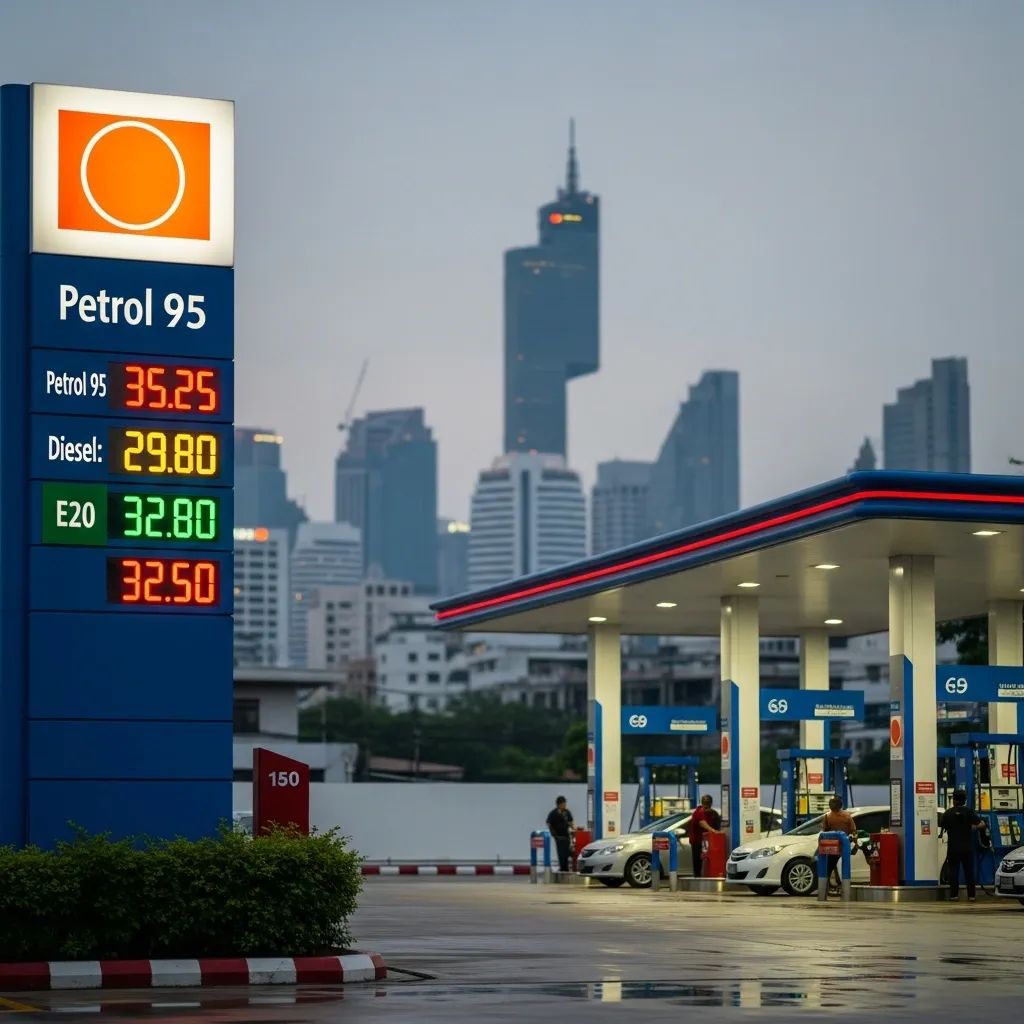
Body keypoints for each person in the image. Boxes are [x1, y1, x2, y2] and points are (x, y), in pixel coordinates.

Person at [940, 789, 983, 902]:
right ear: (964, 800)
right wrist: (974, 827)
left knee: (953, 872)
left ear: (953, 799)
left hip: (953, 848)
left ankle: (954, 896)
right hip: (967, 848)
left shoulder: (947, 813)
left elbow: (943, 826)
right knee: (969, 872)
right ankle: (971, 896)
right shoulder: (969, 812)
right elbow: (982, 824)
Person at [822, 796, 857, 894]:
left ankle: (827, 888)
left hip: (831, 846)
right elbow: (854, 831)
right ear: (840, 805)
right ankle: (841, 887)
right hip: (844, 846)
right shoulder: (847, 816)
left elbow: (824, 831)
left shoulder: (827, 816)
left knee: (828, 868)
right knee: (842, 868)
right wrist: (856, 845)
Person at [687, 794, 721, 877]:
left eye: (708, 803)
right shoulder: (699, 811)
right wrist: (713, 831)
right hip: (697, 840)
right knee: (697, 859)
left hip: (706, 840)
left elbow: (717, 824)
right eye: (705, 803)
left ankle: (703, 874)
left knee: (703, 859)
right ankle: (697, 876)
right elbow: (702, 823)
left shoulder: (712, 813)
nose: (706, 805)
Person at [546, 795, 575, 872]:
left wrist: (574, 829)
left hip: (567, 836)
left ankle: (566, 868)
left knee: (567, 853)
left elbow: (570, 822)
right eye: (563, 803)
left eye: (565, 803)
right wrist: (553, 833)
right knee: (561, 854)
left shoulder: (567, 812)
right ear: (559, 804)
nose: (565, 805)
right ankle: (563, 868)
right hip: (559, 837)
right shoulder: (553, 813)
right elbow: (548, 823)